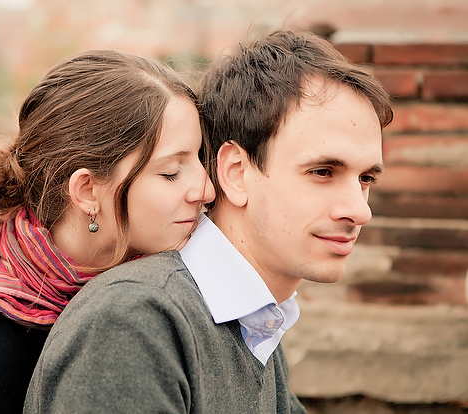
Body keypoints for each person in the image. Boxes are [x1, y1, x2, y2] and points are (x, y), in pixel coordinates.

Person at [24, 30, 393, 413]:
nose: (359, 210)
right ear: (235, 173)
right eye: (322, 172)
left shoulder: (257, 324)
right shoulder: (133, 322)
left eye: (366, 178)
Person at [0, 50, 215, 414]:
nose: (206, 190)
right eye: (171, 172)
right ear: (88, 191)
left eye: (200, 159)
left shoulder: (176, 284)